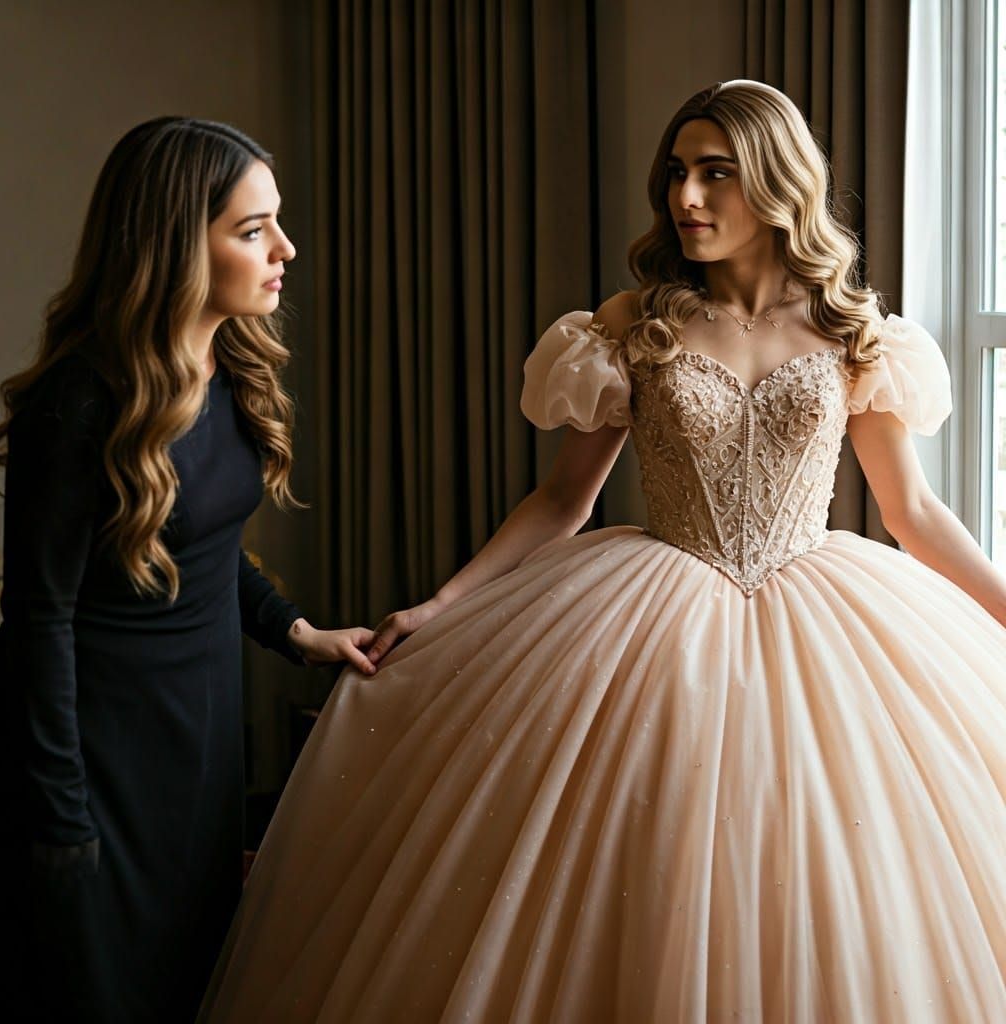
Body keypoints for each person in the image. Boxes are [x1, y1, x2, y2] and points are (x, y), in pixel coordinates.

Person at [200, 81, 1006, 1022]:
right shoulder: (633, 322)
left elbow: (911, 512)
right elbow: (560, 502)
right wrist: (439, 606)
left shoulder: (852, 330)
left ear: (778, 184)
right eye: (677, 173)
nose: (686, 199)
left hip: (822, 615)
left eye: (717, 174)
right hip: (654, 617)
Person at [0, 117, 375, 1023]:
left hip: (193, 757)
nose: (285, 248)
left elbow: (198, 550)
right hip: (83, 765)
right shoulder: (79, 402)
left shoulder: (234, 370)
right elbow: (40, 621)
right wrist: (60, 822)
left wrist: (296, 631)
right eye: (252, 229)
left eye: (275, 222)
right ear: (174, 244)